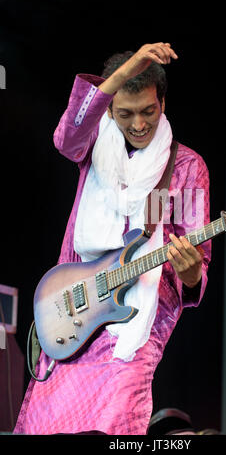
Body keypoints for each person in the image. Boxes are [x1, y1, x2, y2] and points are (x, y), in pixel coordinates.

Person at [14, 42, 211, 435]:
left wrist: (190, 274)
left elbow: (198, 264)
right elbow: (66, 137)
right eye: (125, 113)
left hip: (135, 324)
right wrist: (120, 75)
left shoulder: (186, 167)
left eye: (148, 111)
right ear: (109, 108)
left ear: (163, 104)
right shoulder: (92, 146)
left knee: (116, 423)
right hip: (74, 310)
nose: (138, 123)